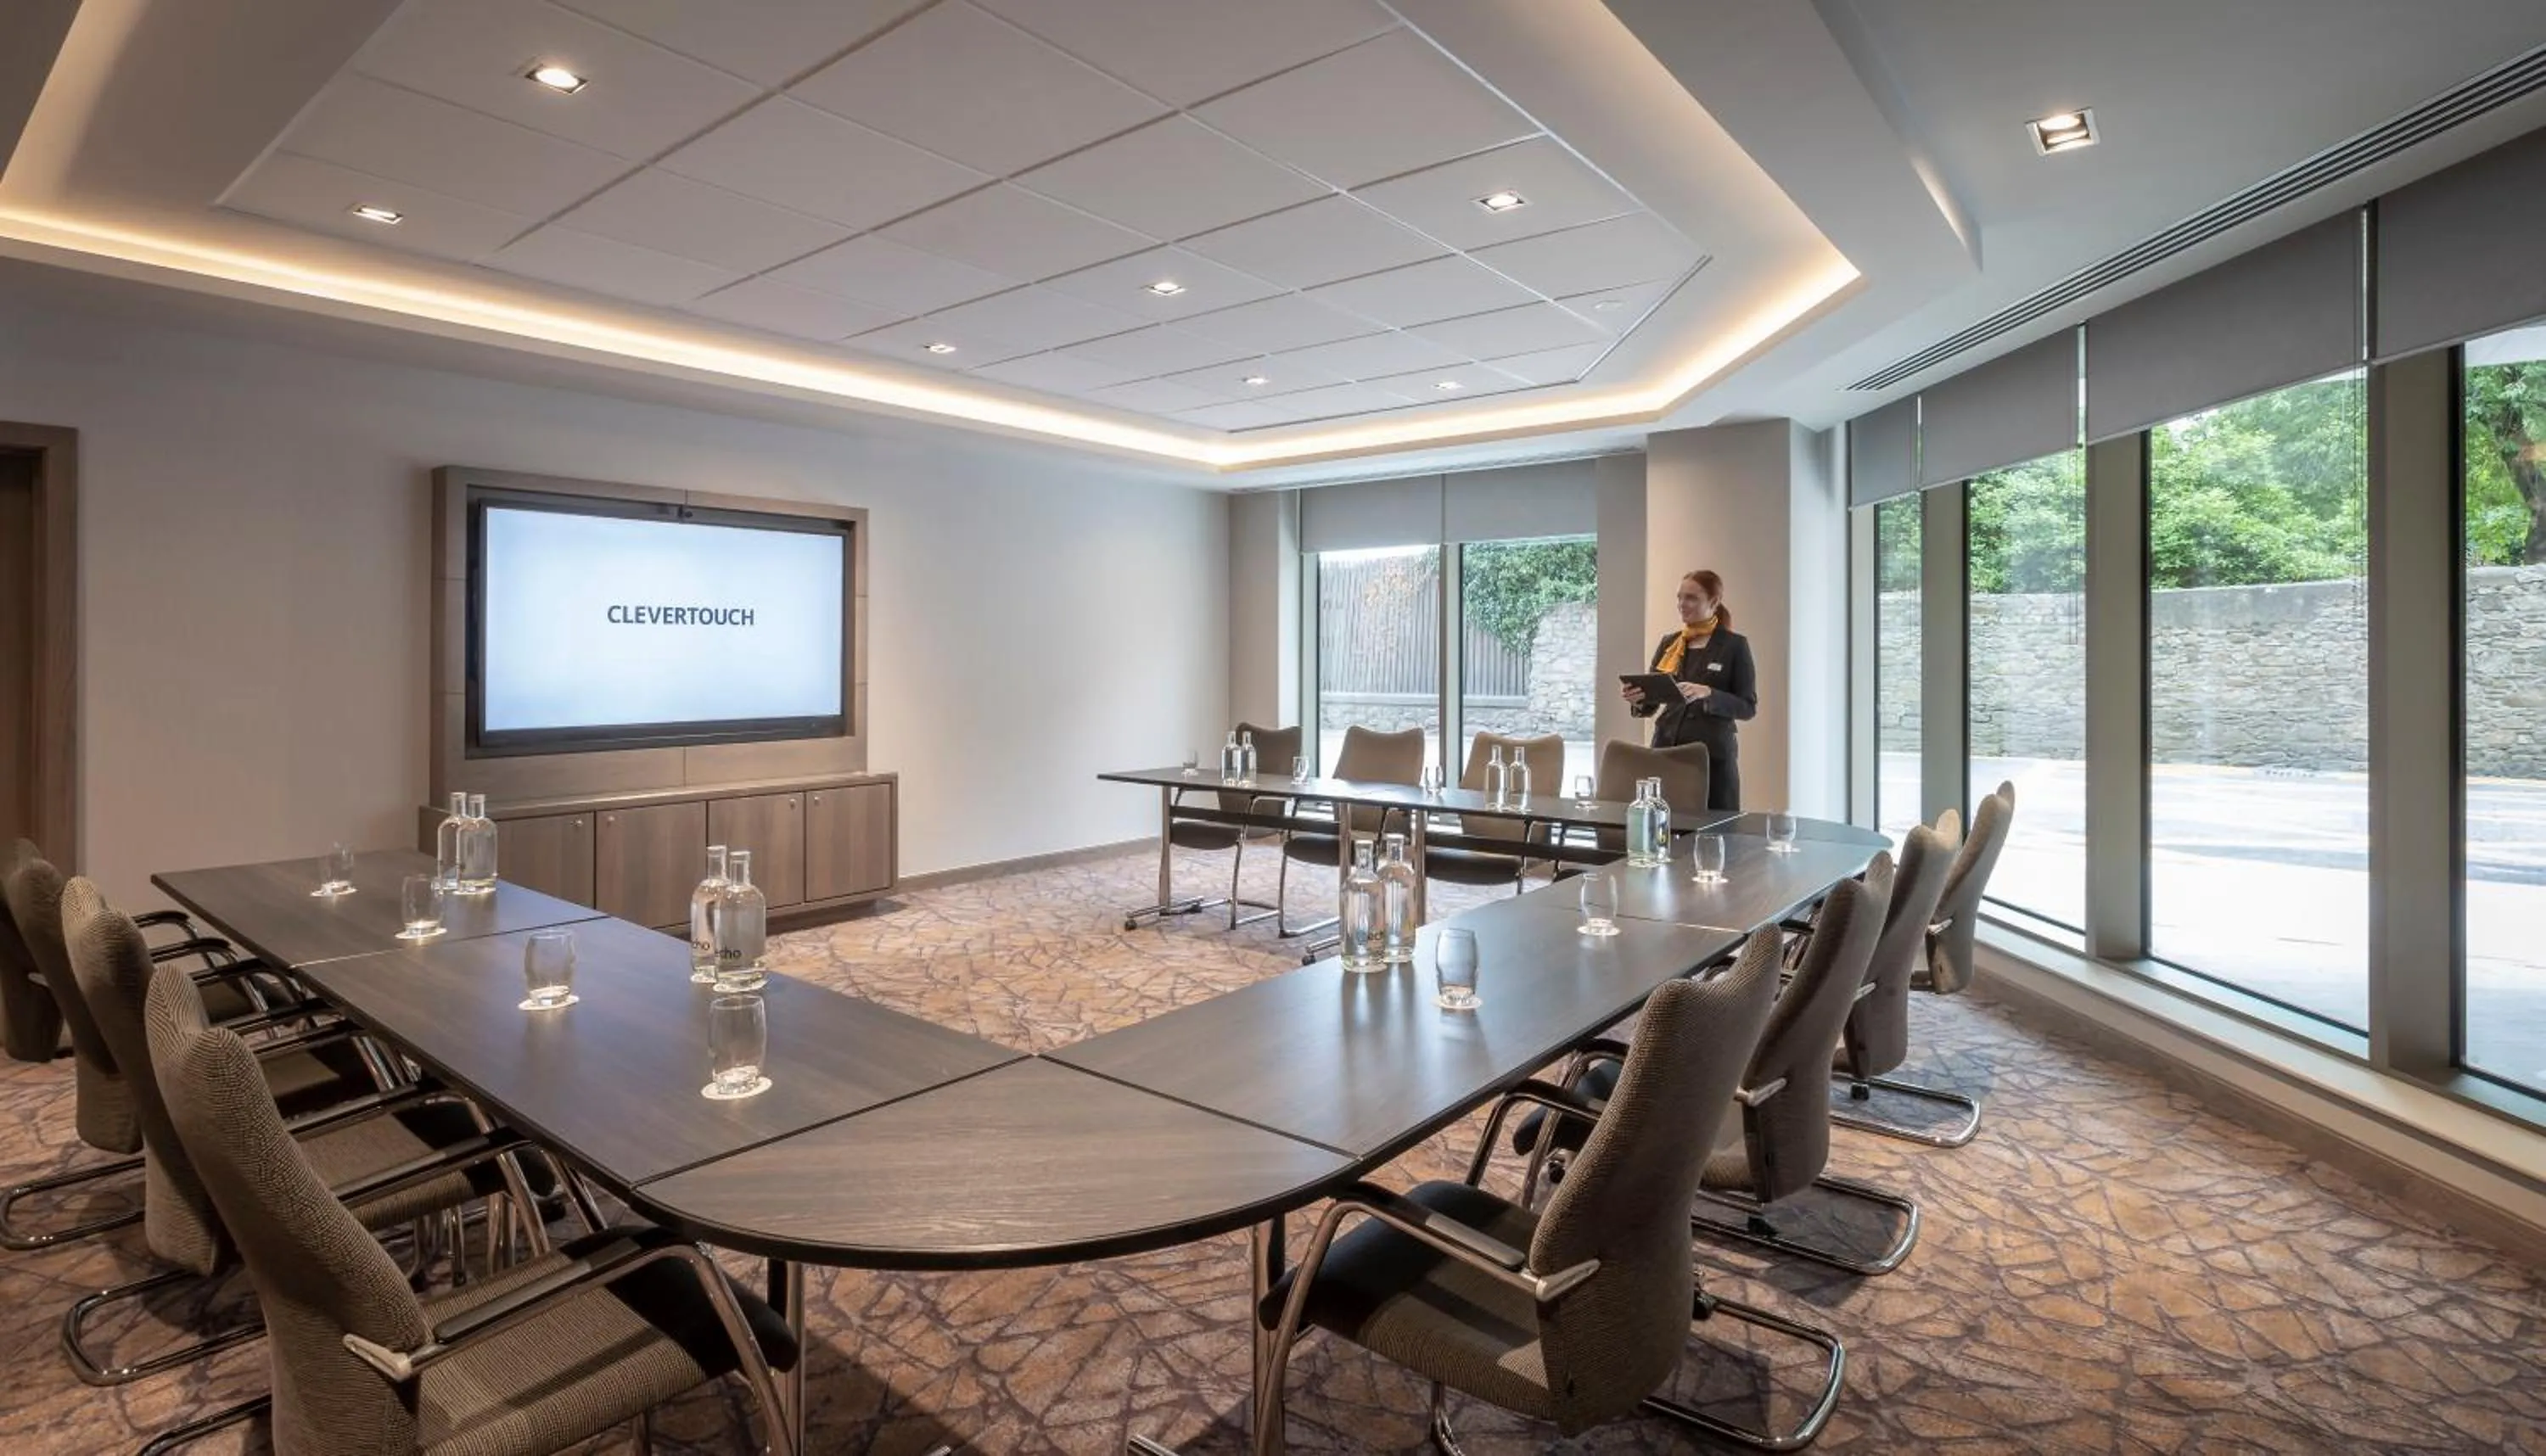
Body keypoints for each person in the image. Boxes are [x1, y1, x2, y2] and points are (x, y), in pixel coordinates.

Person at [1621, 568, 1756, 811]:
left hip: (1711, 758)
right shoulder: (1670, 643)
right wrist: (1639, 699)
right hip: (1666, 752)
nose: (1682, 604)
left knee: (1715, 832)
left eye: (1691, 598)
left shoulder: (1734, 646)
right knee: (1664, 828)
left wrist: (1709, 693)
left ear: (1713, 602)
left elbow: (1748, 706)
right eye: (1680, 597)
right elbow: (1651, 703)